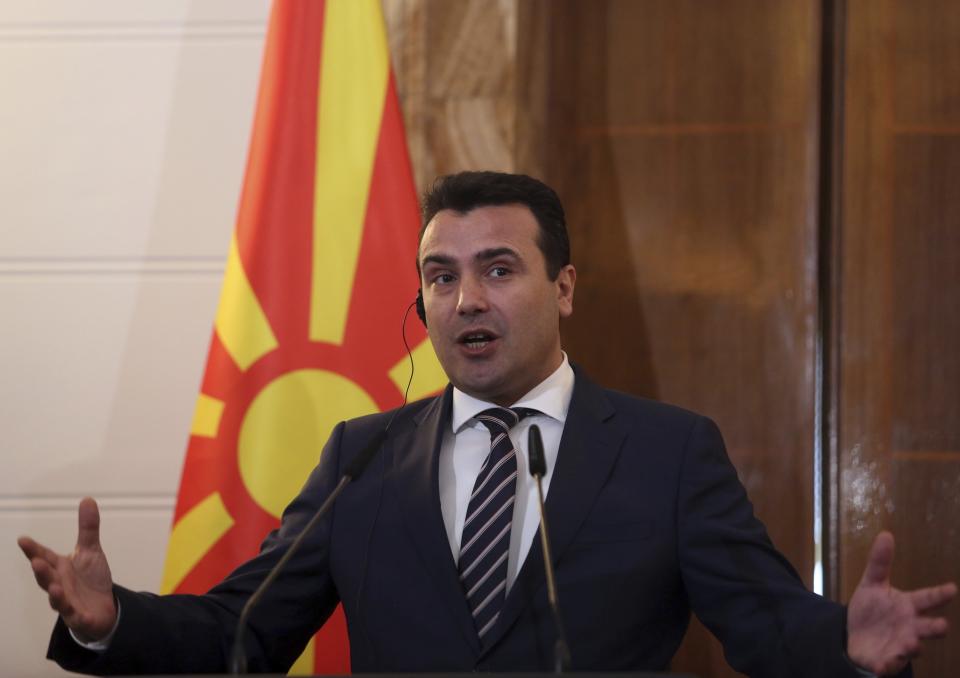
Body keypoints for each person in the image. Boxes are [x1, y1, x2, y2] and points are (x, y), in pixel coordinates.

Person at [19, 172, 956, 676]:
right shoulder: (363, 455)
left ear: (564, 287)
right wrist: (113, 622)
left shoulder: (670, 453)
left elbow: (762, 626)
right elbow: (244, 634)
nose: (466, 298)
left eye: (500, 269)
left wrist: (848, 646)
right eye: (441, 276)